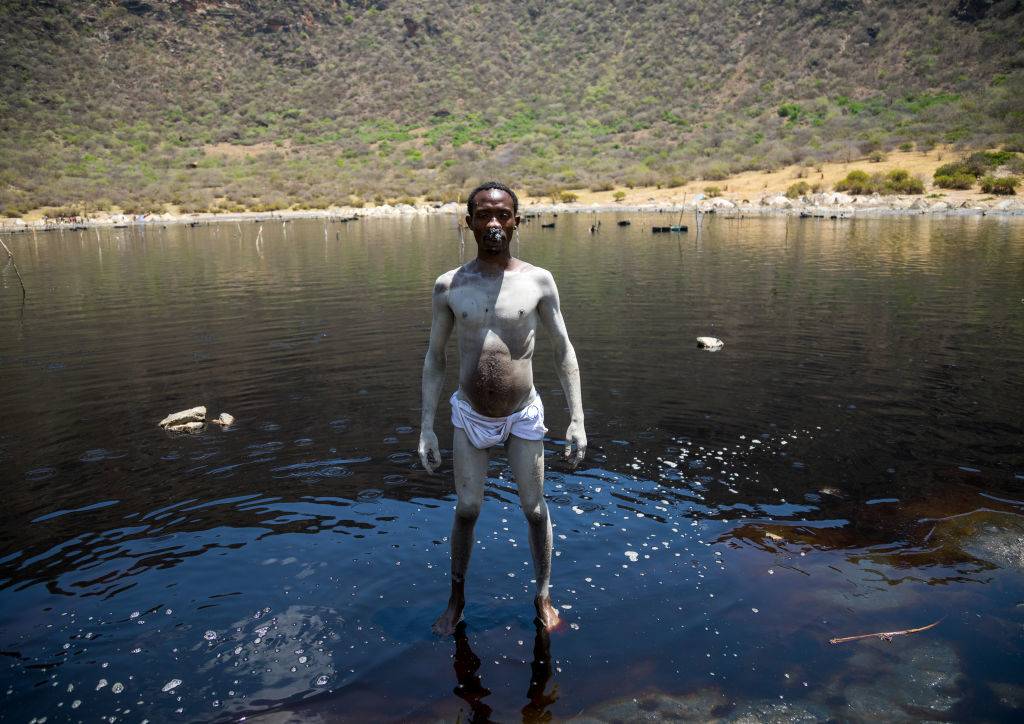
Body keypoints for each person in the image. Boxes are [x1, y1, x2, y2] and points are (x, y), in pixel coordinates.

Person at [418, 181, 586, 635]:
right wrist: (427, 429)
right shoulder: (450, 285)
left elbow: (563, 350)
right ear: (469, 221)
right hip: (470, 414)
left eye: (502, 215)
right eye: (484, 215)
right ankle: (456, 599)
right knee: (468, 508)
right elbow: (436, 358)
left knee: (534, 509)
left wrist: (577, 420)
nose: (493, 223)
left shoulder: (537, 280)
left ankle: (544, 595)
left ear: (516, 220)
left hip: (523, 414)